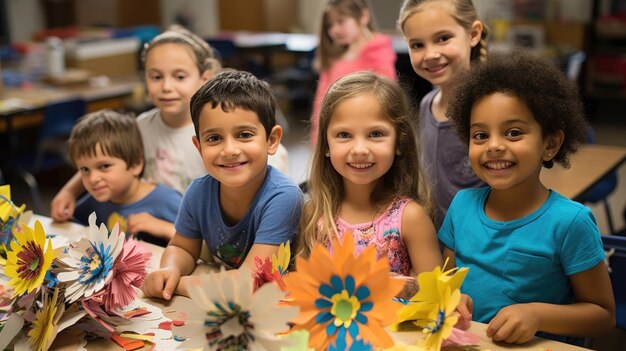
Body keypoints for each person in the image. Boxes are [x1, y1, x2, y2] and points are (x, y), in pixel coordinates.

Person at [441, 51, 615, 344]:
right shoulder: (461, 206)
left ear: (550, 144)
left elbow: (602, 315)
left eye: (513, 132)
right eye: (480, 135)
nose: (493, 146)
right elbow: (446, 282)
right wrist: (453, 300)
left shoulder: (570, 222)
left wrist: (537, 315)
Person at [50, 25, 289, 222]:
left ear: (204, 78)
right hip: (166, 238)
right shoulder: (141, 127)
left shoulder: (218, 133)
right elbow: (102, 159)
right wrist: (70, 191)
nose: (166, 87)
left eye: (179, 76)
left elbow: (270, 171)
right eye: (156, 77)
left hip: (215, 238)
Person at [141, 70, 303, 300]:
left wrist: (178, 285)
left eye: (244, 135)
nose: (229, 150)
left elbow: (251, 282)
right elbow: (183, 248)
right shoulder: (198, 192)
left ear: (272, 140)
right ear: (199, 147)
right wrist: (170, 270)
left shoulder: (284, 197)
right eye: (214, 138)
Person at [298, 72, 441, 297]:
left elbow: (436, 296)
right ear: (326, 144)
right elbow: (302, 286)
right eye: (344, 135)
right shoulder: (314, 214)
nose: (360, 150)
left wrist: (405, 288)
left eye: (375, 134)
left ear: (399, 142)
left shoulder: (410, 218)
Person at [397, 0, 488, 228]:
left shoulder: (488, 108)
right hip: (435, 238)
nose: (430, 54)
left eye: (443, 38)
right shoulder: (427, 104)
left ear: (473, 34)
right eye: (417, 45)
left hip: (478, 241)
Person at [69, 110, 182, 247]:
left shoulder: (167, 200)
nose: (93, 178)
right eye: (85, 169)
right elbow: (73, 226)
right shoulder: (96, 199)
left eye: (104, 166)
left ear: (136, 164)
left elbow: (201, 245)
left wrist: (162, 227)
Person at [310, 0, 397, 146]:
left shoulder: (378, 53)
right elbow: (320, 103)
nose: (334, 30)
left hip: (369, 137)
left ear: (363, 16)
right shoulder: (334, 59)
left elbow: (388, 101)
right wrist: (318, 140)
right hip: (337, 136)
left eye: (341, 21)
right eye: (329, 25)